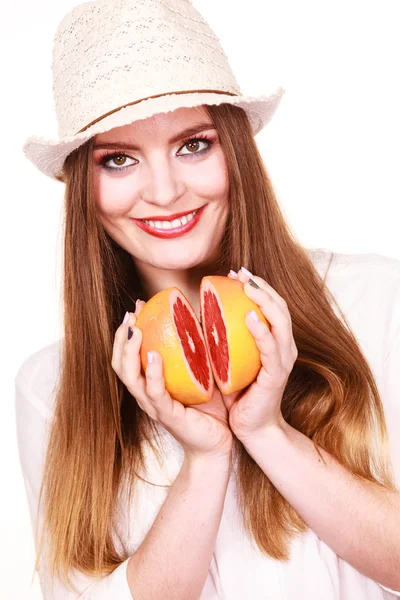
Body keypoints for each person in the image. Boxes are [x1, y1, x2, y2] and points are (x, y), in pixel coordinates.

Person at [15, 0, 400, 598]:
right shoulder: (51, 387)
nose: (165, 191)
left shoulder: (372, 299)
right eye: (118, 160)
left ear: (235, 150)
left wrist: (267, 431)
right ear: (82, 189)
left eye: (193, 145)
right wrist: (206, 457)